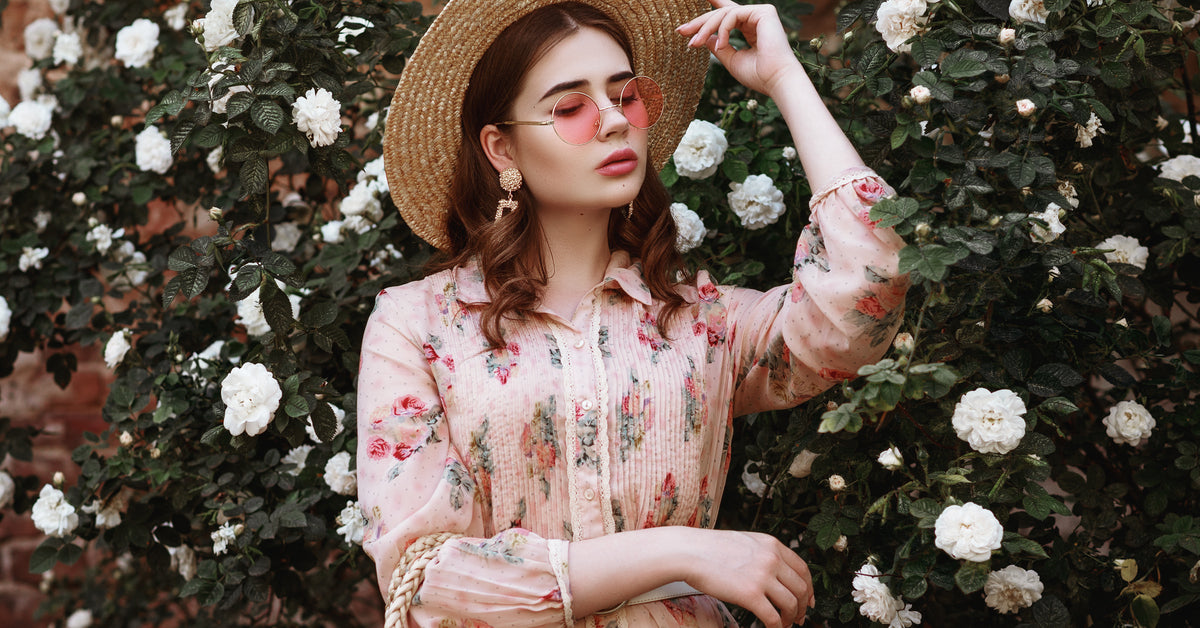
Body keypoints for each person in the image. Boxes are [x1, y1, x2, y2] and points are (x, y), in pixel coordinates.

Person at [357, 0, 909, 626]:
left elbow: (868, 291)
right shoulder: (417, 325)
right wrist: (681, 551)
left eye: (627, 95)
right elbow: (425, 579)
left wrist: (786, 78)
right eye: (570, 108)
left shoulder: (702, 320)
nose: (616, 120)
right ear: (501, 148)